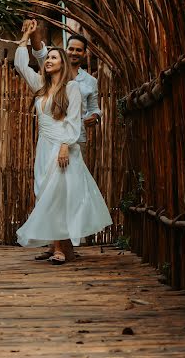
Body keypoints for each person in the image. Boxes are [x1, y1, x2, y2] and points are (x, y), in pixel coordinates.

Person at [14, 21, 112, 265]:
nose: (48, 61)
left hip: (63, 146)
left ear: (62, 64)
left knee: (59, 195)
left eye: (54, 58)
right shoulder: (40, 86)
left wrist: (66, 145)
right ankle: (58, 247)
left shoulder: (73, 88)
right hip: (43, 146)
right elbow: (19, 64)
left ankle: (59, 249)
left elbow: (73, 120)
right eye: (48, 58)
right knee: (44, 193)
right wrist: (25, 37)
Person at [26, 19, 101, 159]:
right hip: (52, 138)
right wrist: (32, 31)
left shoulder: (90, 81)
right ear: (66, 50)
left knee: (75, 178)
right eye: (71, 48)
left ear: (85, 54)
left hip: (77, 138)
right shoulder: (51, 70)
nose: (74, 52)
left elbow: (94, 108)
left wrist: (95, 117)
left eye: (79, 50)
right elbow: (39, 51)